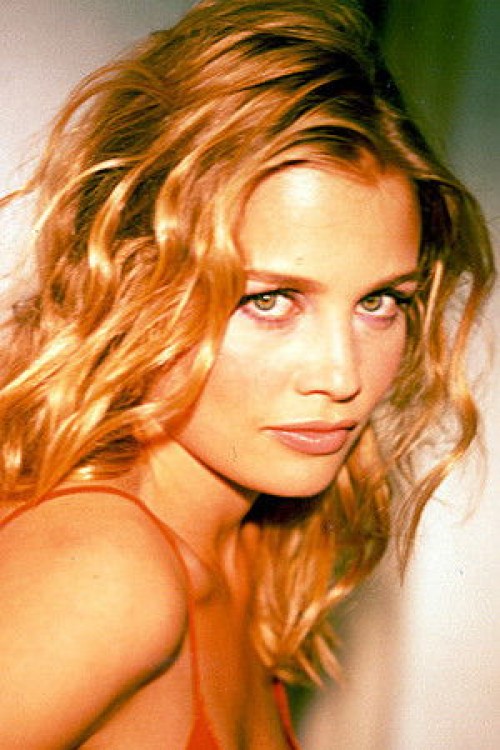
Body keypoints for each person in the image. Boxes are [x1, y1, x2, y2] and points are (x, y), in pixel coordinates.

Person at [0, 0, 494, 747]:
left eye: (379, 302)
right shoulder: (106, 571)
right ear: (135, 284)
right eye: (269, 300)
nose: (342, 375)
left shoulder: (256, 542)